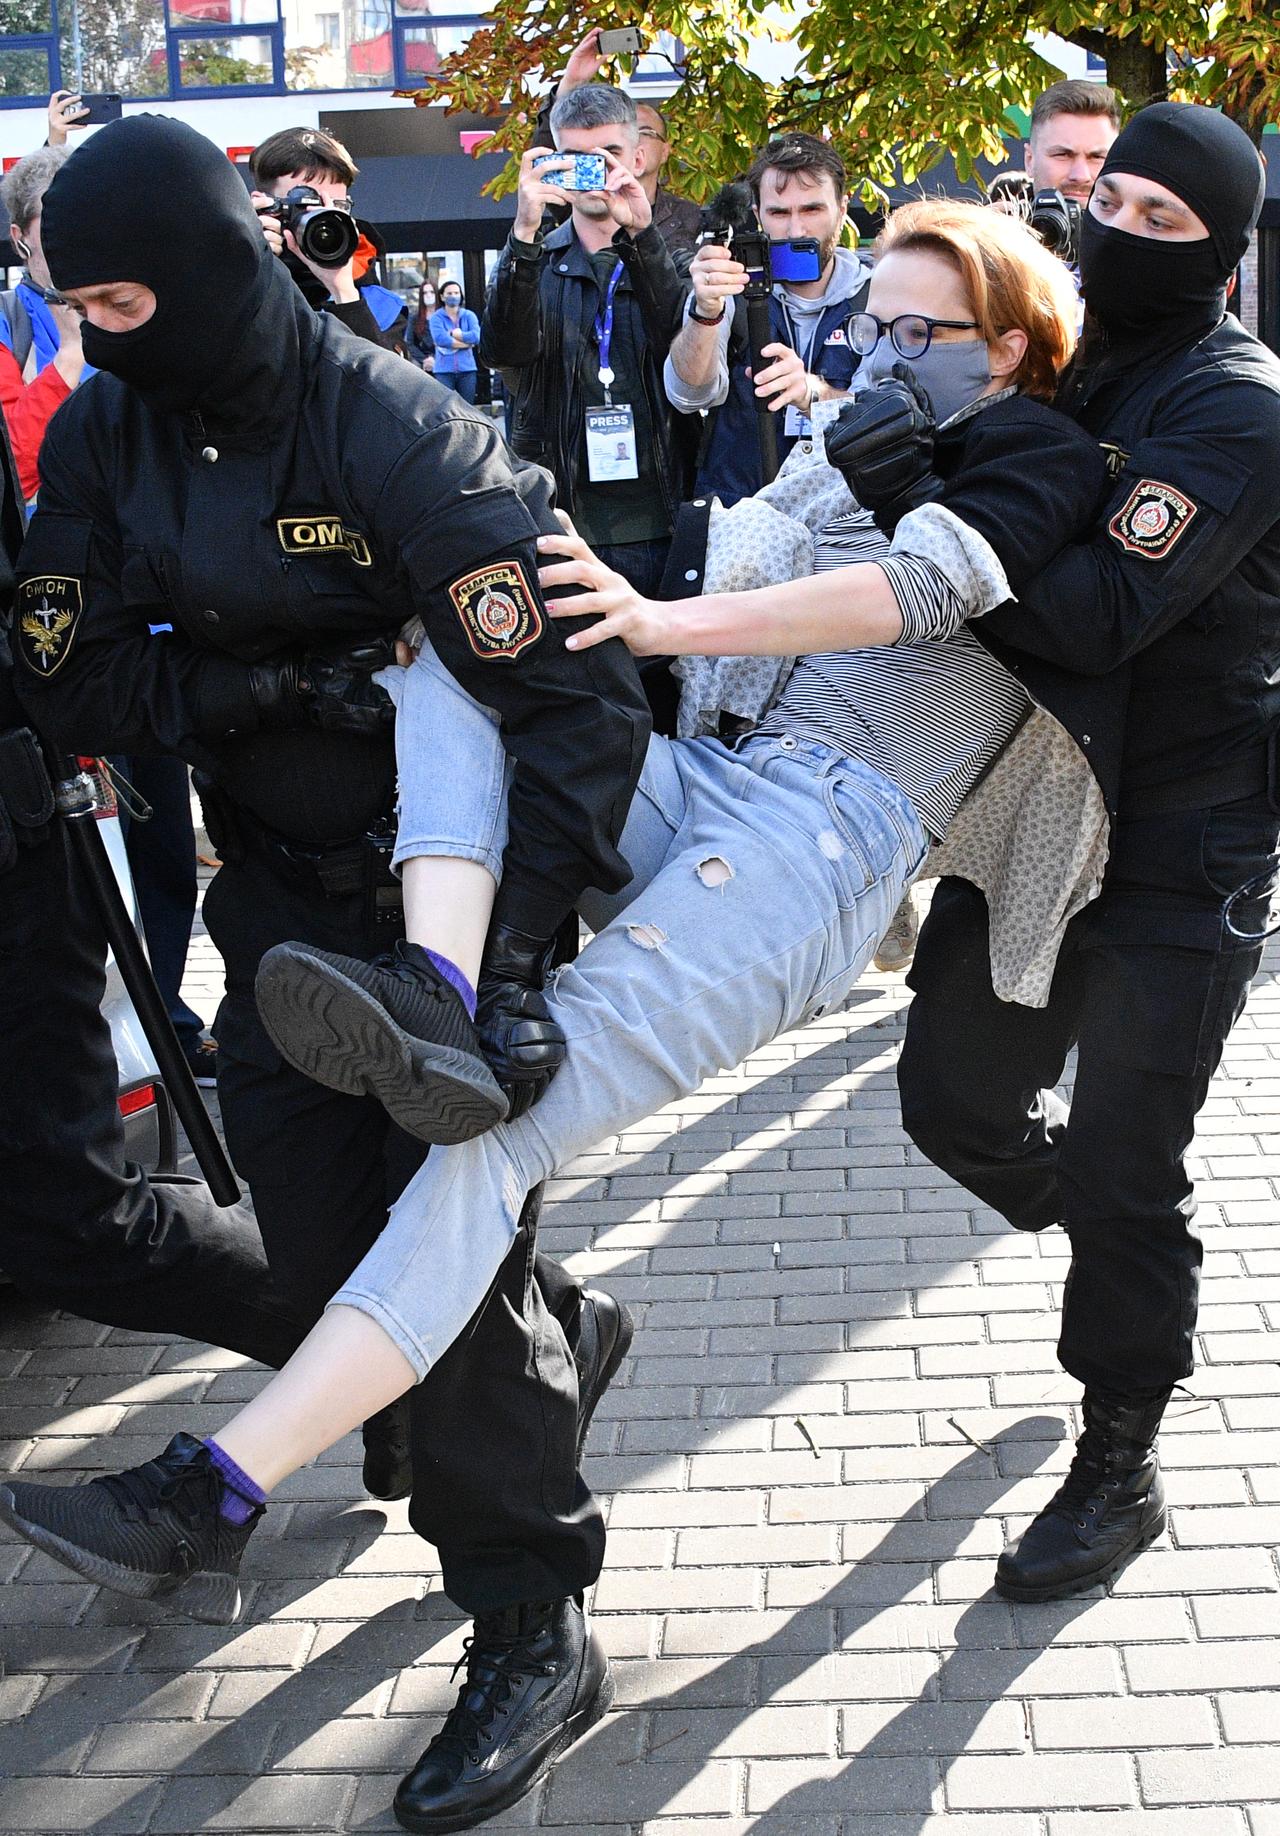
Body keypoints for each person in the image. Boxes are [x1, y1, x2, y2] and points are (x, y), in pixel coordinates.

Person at [2, 199, 1118, 1832]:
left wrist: (685, 598)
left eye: (927, 328)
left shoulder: (1045, 462)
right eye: (875, 316)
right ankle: (442, 995)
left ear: (1016, 341)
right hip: (712, 778)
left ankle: (234, 1490)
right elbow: (681, 562)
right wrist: (559, 572)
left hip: (824, 846)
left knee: (485, 1149)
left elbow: (912, 596)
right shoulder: (843, 451)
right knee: (445, 659)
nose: (888, 349)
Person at [7, 113, 649, 1832]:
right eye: (75, 304)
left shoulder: (395, 427)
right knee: (324, 1241)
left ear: (209, 272)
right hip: (274, 913)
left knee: (452, 1252)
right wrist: (258, 694)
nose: (96, 335)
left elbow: (578, 701)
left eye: (126, 298)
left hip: (436, 920)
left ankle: (532, 1622)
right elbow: (65, 663)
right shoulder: (101, 436)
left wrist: (509, 970)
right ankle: (556, 1329)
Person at [893, 103, 1280, 1606]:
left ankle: (1119, 1460)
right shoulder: (1062, 353)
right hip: (1037, 813)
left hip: (1185, 843)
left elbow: (1096, 615)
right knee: (949, 1102)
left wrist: (928, 513)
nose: (1115, 229)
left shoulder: (1235, 408)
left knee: (1134, 1176)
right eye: (1105, 196)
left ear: (1223, 254)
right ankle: (1101, 1231)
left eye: (1161, 221)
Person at [479, 80, 694, 729]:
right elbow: (502, 349)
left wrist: (643, 234)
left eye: (608, 153)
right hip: (565, 525)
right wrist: (523, 229)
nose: (594, 171)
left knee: (668, 706)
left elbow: (682, 339)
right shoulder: (534, 259)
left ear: (637, 154)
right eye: (576, 155)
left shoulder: (670, 251)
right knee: (585, 712)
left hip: (662, 522)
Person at [665, 132, 871, 506]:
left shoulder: (876, 294)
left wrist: (815, 394)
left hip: (847, 519)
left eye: (812, 210)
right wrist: (706, 313)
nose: (796, 230)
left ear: (842, 208)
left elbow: (894, 416)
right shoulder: (728, 285)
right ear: (758, 215)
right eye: (779, 213)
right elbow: (687, 396)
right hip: (743, 518)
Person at [248, 126, 403, 350]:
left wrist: (344, 293)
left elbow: (387, 384)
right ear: (264, 206)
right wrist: (245, 260)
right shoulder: (242, 281)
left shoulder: (379, 305)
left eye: (336, 205)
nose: (323, 218)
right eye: (305, 205)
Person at [0, 146, 89, 503]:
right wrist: (69, 359)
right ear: (19, 238)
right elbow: (12, 477)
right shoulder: (8, 322)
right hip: (47, 547)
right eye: (53, 222)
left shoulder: (135, 303)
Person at [1023, 78, 1121, 207]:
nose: (1081, 176)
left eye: (1097, 157)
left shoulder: (1141, 225)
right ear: (1030, 161)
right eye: (1062, 155)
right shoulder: (998, 225)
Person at [635, 102, 703, 262]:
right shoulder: (589, 209)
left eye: (644, 132)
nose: (633, 140)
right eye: (624, 132)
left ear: (665, 152)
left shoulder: (692, 217)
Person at [428, 277, 481, 401]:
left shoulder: (469, 315)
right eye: (449, 293)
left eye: (456, 293)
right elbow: (441, 339)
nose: (453, 296)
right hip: (444, 371)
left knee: (468, 408)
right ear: (442, 296)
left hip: (467, 370)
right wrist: (467, 344)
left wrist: (456, 334)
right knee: (445, 408)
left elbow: (476, 337)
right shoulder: (436, 317)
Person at [403, 277, 438, 370]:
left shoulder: (444, 316)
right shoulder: (415, 317)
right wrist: (425, 359)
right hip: (421, 358)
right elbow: (409, 343)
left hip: (442, 357)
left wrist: (434, 359)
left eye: (432, 292)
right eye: (425, 293)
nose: (429, 295)